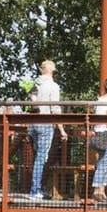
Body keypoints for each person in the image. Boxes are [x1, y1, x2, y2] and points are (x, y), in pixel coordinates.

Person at [26, 60, 61, 200]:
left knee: (38, 158)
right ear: (52, 70)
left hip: (33, 124)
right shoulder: (53, 86)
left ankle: (37, 188)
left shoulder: (35, 84)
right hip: (46, 123)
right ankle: (35, 191)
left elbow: (33, 102)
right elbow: (55, 108)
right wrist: (61, 128)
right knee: (41, 159)